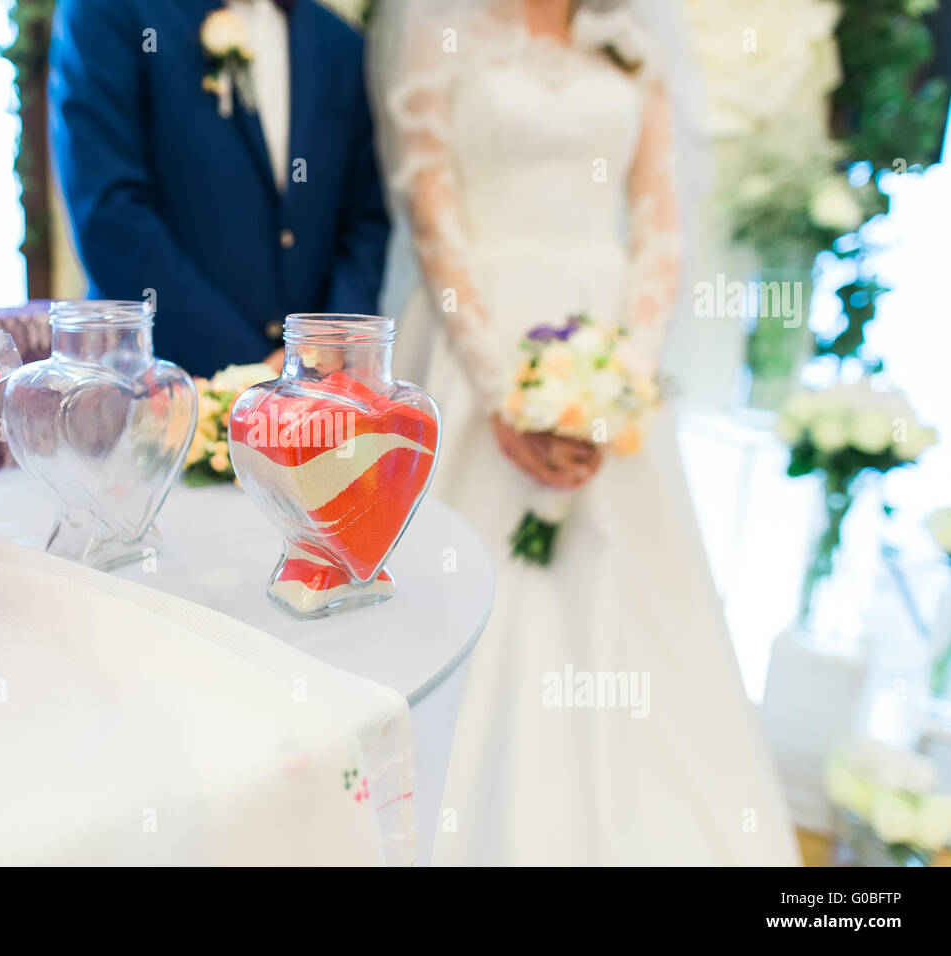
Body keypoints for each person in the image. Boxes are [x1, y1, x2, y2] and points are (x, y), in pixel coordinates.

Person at [372, 0, 800, 864]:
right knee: (451, 587)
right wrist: (499, 386)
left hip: (602, 341)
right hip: (474, 338)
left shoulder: (635, 47)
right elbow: (430, 204)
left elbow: (660, 225)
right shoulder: (439, 28)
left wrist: (621, 381)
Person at [51, 0, 389, 377]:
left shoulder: (339, 42)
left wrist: (323, 350)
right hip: (154, 384)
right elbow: (108, 212)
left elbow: (365, 221)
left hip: (314, 396)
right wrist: (249, 371)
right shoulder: (108, 12)